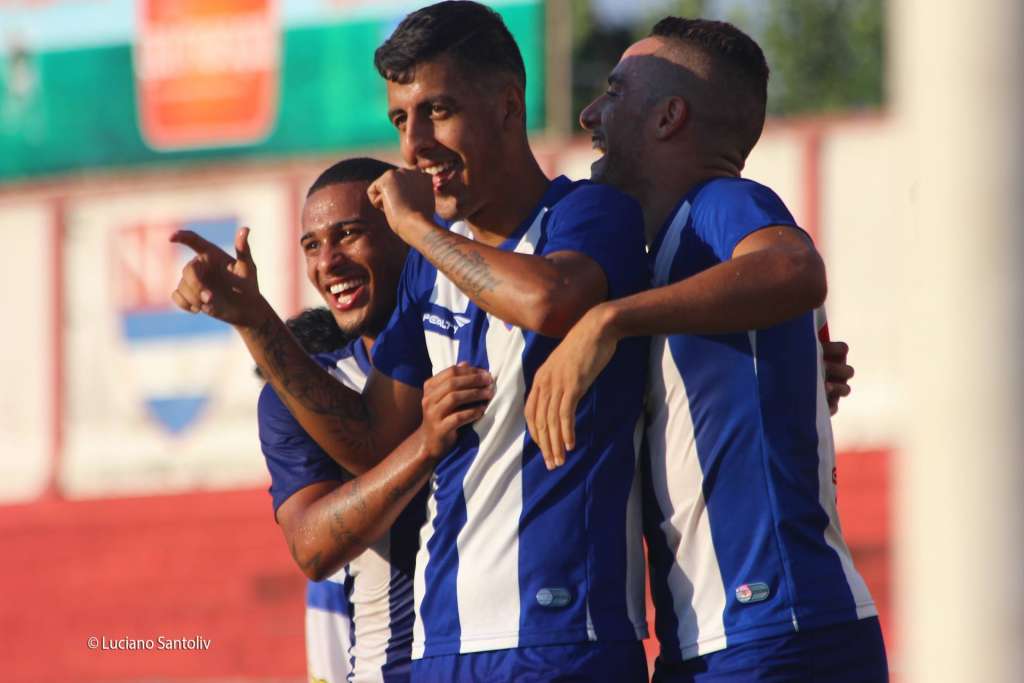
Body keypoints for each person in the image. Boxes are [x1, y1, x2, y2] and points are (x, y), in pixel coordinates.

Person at [171, 3, 651, 681]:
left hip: (564, 637)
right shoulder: (430, 267)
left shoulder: (588, 214)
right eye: (401, 119)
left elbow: (549, 300)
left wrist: (419, 230)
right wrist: (255, 320)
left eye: (438, 110)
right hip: (441, 646)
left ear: (509, 106)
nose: (414, 144)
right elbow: (370, 441)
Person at [525, 17, 887, 683]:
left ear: (668, 117)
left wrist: (607, 320)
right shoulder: (668, 255)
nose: (589, 113)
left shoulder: (723, 202)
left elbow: (794, 267)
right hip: (719, 639)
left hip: (776, 627)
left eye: (613, 91)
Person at [250, 157, 482, 682]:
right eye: (312, 245)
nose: (328, 262)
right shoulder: (300, 399)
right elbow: (313, 550)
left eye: (349, 235)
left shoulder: (483, 336)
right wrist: (425, 444)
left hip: (514, 654)